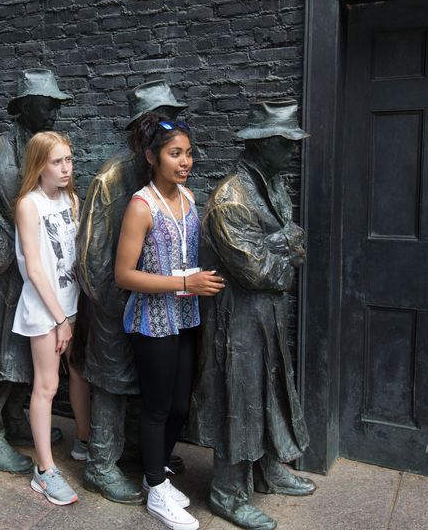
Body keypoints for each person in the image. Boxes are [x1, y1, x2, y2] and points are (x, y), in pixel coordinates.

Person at [186, 99, 314, 530]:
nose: (293, 152)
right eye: (285, 144)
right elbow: (259, 269)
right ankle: (227, 491)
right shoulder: (230, 198)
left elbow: (285, 250)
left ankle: (267, 468)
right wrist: (285, 246)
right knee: (237, 398)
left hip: (266, 313)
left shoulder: (274, 184)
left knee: (271, 389)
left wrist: (279, 246)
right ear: (261, 146)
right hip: (236, 317)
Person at [77, 80, 188, 504]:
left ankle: (143, 456)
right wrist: (123, 306)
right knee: (112, 384)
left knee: (148, 386)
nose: (168, 125)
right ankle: (101, 465)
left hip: (149, 302)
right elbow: (91, 259)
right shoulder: (111, 179)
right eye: (160, 118)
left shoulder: (159, 177)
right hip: (114, 304)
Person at [114, 113, 224, 530]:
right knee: (157, 407)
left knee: (179, 404)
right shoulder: (141, 207)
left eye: (188, 153)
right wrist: (184, 280)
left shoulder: (189, 199)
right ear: (151, 157)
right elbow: (123, 274)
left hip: (185, 316)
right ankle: (157, 490)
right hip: (152, 320)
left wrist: (202, 283)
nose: (185, 162)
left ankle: (154, 476)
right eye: (174, 154)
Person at [0, 68, 70, 474]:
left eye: (57, 105)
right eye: (47, 104)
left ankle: (13, 419)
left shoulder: (52, 150)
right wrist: (11, 252)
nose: (53, 113)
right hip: (4, 274)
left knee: (23, 358)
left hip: (42, 272)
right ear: (25, 107)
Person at [12, 131, 88, 506]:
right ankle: (44, 470)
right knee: (46, 386)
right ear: (38, 165)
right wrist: (60, 319)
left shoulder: (71, 198)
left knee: (78, 374)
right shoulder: (29, 204)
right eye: (57, 161)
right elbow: (36, 268)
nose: (65, 168)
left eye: (69, 160)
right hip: (46, 309)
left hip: (70, 303)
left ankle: (85, 443)